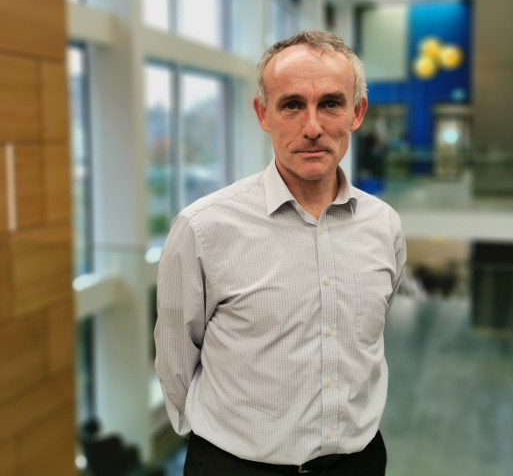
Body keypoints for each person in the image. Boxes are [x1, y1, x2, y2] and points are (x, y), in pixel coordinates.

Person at [154, 30, 406, 475]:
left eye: (331, 103)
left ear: (357, 112)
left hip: (358, 464)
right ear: (263, 114)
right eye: (292, 104)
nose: (312, 127)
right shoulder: (203, 228)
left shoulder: (384, 226)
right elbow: (175, 364)